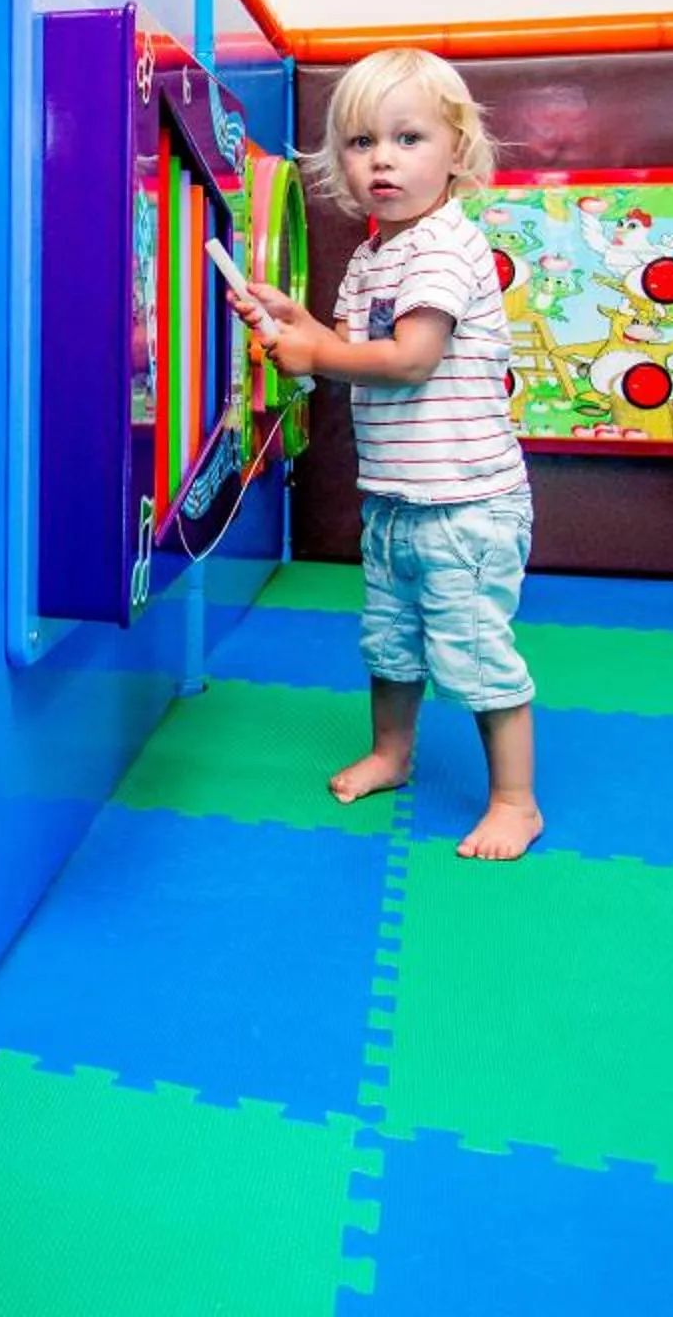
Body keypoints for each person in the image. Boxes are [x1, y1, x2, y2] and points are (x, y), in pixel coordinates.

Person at [236, 47, 541, 860]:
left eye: (408, 139)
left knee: (476, 655)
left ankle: (516, 801)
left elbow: (409, 358)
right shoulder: (376, 256)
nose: (382, 160)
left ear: (457, 151)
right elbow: (347, 347)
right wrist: (292, 324)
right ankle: (392, 755)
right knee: (392, 643)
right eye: (362, 142)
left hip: (466, 503)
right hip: (398, 497)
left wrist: (315, 356)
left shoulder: (443, 246)